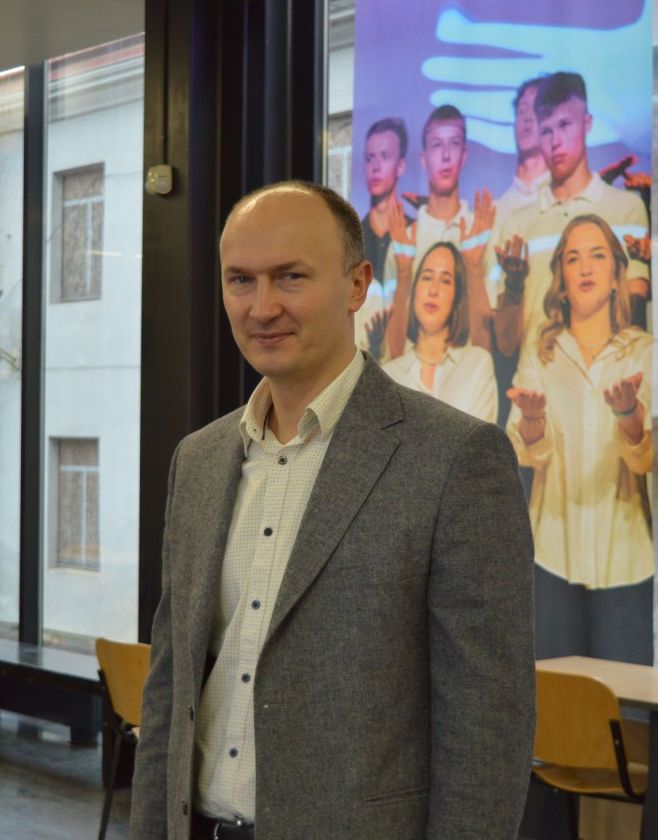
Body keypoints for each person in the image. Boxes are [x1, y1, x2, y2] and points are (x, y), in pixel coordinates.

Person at [130, 180, 535, 840]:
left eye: (291, 277)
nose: (263, 307)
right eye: (240, 280)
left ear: (357, 285)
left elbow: (485, 728)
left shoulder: (455, 459)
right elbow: (169, 688)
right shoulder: (198, 460)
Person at [506, 214, 653, 663]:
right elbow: (525, 453)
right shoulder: (542, 351)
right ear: (562, 282)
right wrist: (533, 421)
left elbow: (644, 461)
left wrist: (629, 416)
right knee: (557, 696)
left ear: (616, 276)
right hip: (552, 555)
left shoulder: (644, 351)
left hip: (626, 557)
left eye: (598, 256)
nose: (586, 267)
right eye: (573, 258)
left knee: (626, 700)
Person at [493, 72, 650, 358]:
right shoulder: (517, 224)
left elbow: (636, 321)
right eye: (546, 130)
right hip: (535, 377)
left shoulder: (626, 209)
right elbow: (505, 346)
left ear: (587, 123)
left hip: (611, 377)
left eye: (565, 125)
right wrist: (513, 286)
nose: (556, 141)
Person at [383, 241, 497, 422]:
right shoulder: (390, 375)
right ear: (415, 289)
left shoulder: (477, 364)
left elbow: (480, 438)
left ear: (457, 296)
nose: (433, 290)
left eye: (445, 281)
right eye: (427, 277)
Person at [355, 117, 411, 361]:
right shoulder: (350, 239)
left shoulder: (417, 234)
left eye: (385, 156)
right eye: (370, 158)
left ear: (401, 166)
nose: (375, 167)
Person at [494, 77, 549, 225]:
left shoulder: (565, 198)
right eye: (522, 111)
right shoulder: (497, 212)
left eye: (536, 109)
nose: (527, 118)